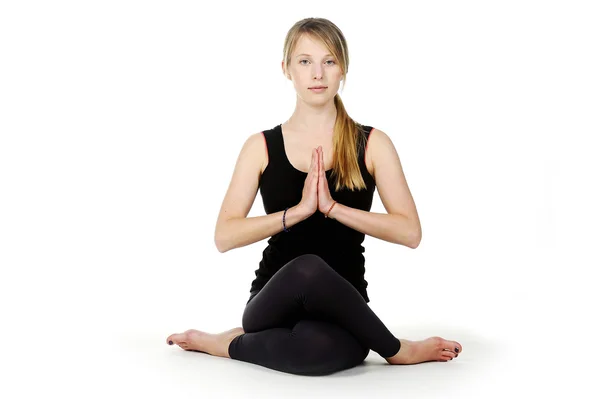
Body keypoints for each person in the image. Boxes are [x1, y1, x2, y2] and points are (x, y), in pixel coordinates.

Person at [166, 17, 462, 376]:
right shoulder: (260, 146)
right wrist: (298, 212)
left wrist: (333, 209)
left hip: (346, 305)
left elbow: (410, 232)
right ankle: (398, 350)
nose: (317, 73)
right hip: (272, 302)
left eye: (329, 61)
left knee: (314, 354)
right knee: (307, 268)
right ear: (287, 69)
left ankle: (227, 343)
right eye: (305, 61)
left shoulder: (372, 144)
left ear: (343, 70)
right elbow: (224, 236)